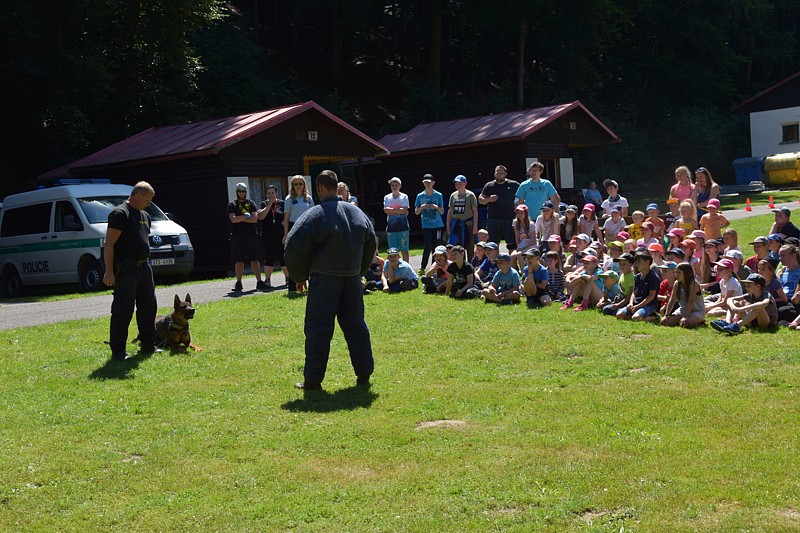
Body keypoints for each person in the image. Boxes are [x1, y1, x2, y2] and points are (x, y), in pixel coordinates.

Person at [284, 170, 375, 391]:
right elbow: (372, 243)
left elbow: (293, 246)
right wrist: (359, 271)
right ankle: (364, 374)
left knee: (318, 329)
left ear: (321, 189)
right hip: (352, 279)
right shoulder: (357, 213)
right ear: (336, 187)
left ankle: (313, 380)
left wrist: (299, 276)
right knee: (356, 326)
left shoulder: (316, 214)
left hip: (324, 280)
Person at [102, 181, 159, 361]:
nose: (148, 204)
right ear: (137, 196)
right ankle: (118, 352)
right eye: (147, 200)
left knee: (149, 307)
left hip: (144, 267)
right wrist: (108, 271)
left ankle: (148, 346)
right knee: (123, 309)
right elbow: (109, 244)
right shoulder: (120, 214)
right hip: (126, 268)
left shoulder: (144, 215)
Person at [228, 182, 265, 292]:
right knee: (238, 260)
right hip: (237, 236)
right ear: (236, 192)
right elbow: (233, 219)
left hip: (251, 235)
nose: (241, 193)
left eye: (243, 191)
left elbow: (255, 219)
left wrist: (241, 218)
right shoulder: (232, 205)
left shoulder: (251, 203)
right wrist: (245, 217)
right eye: (239, 191)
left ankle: (259, 281)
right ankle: (238, 283)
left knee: (254, 258)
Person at [710, 273, 778, 334]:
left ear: (758, 287)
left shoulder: (766, 294)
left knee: (759, 307)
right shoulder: (750, 294)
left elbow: (764, 303)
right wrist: (734, 307)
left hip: (766, 323)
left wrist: (743, 308)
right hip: (751, 322)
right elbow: (730, 299)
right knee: (735, 303)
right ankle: (727, 322)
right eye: (746, 285)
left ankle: (736, 326)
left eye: (749, 286)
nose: (746, 288)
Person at [284, 175, 315, 292]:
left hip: (307, 227)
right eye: (296, 184)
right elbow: (286, 218)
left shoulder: (309, 198)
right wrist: (286, 234)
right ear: (292, 186)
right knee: (294, 258)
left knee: (309, 257)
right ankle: (292, 288)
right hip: (293, 228)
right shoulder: (289, 199)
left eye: (300, 184)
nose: (298, 186)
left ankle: (311, 286)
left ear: (304, 185)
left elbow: (313, 215)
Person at [480, 165, 520, 250]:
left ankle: (511, 262)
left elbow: (521, 198)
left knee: (511, 243)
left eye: (501, 173)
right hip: (493, 218)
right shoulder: (489, 185)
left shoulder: (514, 185)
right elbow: (480, 200)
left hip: (509, 218)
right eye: (497, 173)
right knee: (493, 244)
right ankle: (495, 262)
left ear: (505, 174)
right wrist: (489, 199)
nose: (499, 175)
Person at [257, 185, 288, 290]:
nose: (271, 195)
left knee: (282, 256)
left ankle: (288, 278)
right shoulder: (263, 204)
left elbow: (286, 219)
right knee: (269, 257)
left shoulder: (282, 204)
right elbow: (261, 216)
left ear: (276, 193)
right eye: (269, 193)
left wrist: (286, 234)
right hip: (267, 236)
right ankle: (268, 280)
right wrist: (269, 204)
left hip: (280, 235)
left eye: (272, 193)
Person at [616, 252, 660, 321]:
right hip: (636, 303)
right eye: (636, 263)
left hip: (649, 305)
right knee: (619, 315)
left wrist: (637, 307)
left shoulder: (653, 277)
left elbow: (651, 296)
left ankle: (655, 317)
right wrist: (630, 303)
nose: (636, 265)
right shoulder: (637, 277)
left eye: (639, 262)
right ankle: (638, 315)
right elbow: (634, 292)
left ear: (647, 262)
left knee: (636, 318)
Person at [414, 173, 445, 271]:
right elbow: (416, 212)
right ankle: (423, 267)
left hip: (437, 225)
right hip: (426, 225)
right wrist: (422, 207)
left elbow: (442, 211)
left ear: (433, 183)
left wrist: (436, 207)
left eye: (429, 183)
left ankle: (434, 267)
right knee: (428, 246)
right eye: (425, 183)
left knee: (436, 246)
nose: (427, 185)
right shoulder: (420, 196)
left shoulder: (438, 195)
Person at [660, 262, 705, 328]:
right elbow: (672, 300)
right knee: (667, 322)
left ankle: (700, 321)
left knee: (684, 324)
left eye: (679, 273)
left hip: (696, 311)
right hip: (683, 310)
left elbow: (691, 301)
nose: (676, 275)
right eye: (676, 272)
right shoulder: (677, 283)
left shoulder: (693, 283)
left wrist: (685, 317)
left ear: (687, 274)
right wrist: (666, 315)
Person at [446, 174, 479, 261]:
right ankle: (460, 264)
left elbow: (475, 211)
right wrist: (448, 226)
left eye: (460, 184)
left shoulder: (470, 195)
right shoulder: (453, 195)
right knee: (458, 247)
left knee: (470, 246)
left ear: (465, 183)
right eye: (456, 184)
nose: (458, 186)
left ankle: (471, 266)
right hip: (457, 224)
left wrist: (475, 226)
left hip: (468, 224)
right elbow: (450, 211)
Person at [384, 177, 411, 262]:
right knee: (392, 252)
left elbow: (405, 210)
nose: (394, 187)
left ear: (400, 186)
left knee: (404, 250)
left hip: (403, 228)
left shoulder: (404, 196)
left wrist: (392, 210)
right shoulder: (387, 197)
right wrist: (399, 210)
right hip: (391, 229)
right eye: (392, 185)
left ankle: (407, 269)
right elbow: (386, 210)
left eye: (396, 185)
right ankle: (394, 268)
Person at [776, 244, 800, 323]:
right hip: (783, 300)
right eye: (779, 256)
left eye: (783, 256)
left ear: (793, 256)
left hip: (796, 302)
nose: (780, 259)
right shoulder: (781, 272)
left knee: (784, 312)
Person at [510, 204, 537, 270]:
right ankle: (514, 274)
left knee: (519, 255)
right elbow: (517, 236)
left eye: (521, 213)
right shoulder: (515, 222)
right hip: (521, 244)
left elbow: (533, 240)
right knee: (512, 256)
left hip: (531, 245)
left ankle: (524, 274)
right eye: (518, 213)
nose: (519, 215)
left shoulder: (531, 224)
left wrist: (523, 248)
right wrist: (518, 246)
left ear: (526, 213)